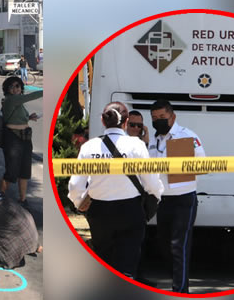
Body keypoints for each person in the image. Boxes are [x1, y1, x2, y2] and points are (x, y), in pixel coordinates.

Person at [67, 103, 163, 279]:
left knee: (103, 262)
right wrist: (155, 198)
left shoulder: (89, 147)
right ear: (126, 122)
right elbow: (152, 181)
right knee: (127, 266)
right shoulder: (136, 145)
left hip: (99, 212)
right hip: (130, 211)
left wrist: (79, 202)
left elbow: (75, 185)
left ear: (103, 121)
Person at [148, 99, 206, 294]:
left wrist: (181, 164)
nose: (158, 121)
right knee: (164, 245)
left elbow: (203, 164)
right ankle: (178, 282)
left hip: (183, 198)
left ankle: (180, 290)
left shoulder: (187, 136)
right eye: (154, 118)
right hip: (162, 199)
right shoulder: (154, 140)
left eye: (162, 117)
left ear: (173, 117)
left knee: (178, 245)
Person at [0, 76, 42, 207]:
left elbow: (17, 118)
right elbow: (31, 96)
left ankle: (23, 200)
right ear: (7, 89)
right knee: (11, 171)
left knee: (24, 171)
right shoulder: (10, 100)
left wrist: (28, 117)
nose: (15, 89)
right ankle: (0, 197)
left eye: (17, 86)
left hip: (25, 139)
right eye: (12, 86)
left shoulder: (19, 104)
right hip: (13, 139)